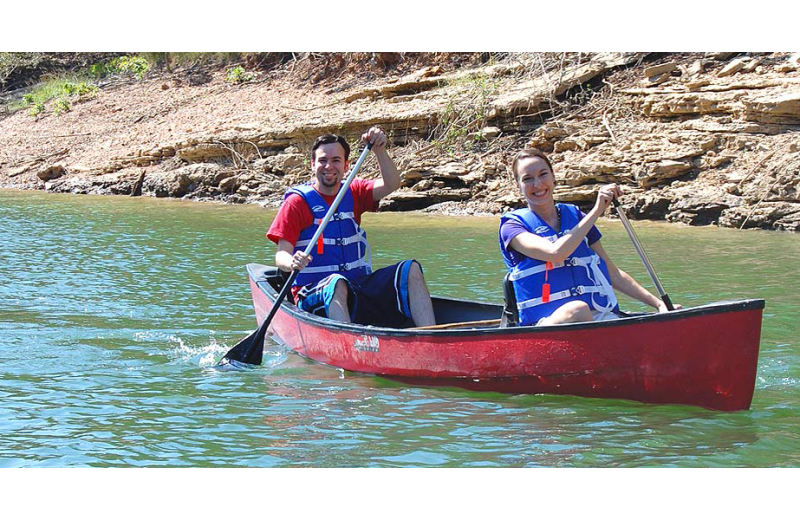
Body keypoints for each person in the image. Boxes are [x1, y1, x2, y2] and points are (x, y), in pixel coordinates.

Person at [266, 127, 436, 328]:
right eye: (322, 160)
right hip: (312, 291)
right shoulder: (296, 202)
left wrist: (380, 150)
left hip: (357, 286)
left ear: (346, 165)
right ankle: (347, 346)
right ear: (313, 164)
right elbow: (281, 256)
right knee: (336, 283)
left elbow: (392, 184)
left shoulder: (353, 192)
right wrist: (292, 262)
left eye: (336, 160)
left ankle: (430, 335)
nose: (329, 166)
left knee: (411, 269)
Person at [499, 149, 676, 327]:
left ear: (553, 176)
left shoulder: (576, 218)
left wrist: (660, 305)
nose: (537, 184)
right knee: (577, 309)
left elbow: (612, 273)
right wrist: (598, 210)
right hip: (546, 325)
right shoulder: (512, 227)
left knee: (593, 313)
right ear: (518, 185)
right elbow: (555, 253)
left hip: (596, 317)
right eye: (527, 178)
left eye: (543, 174)